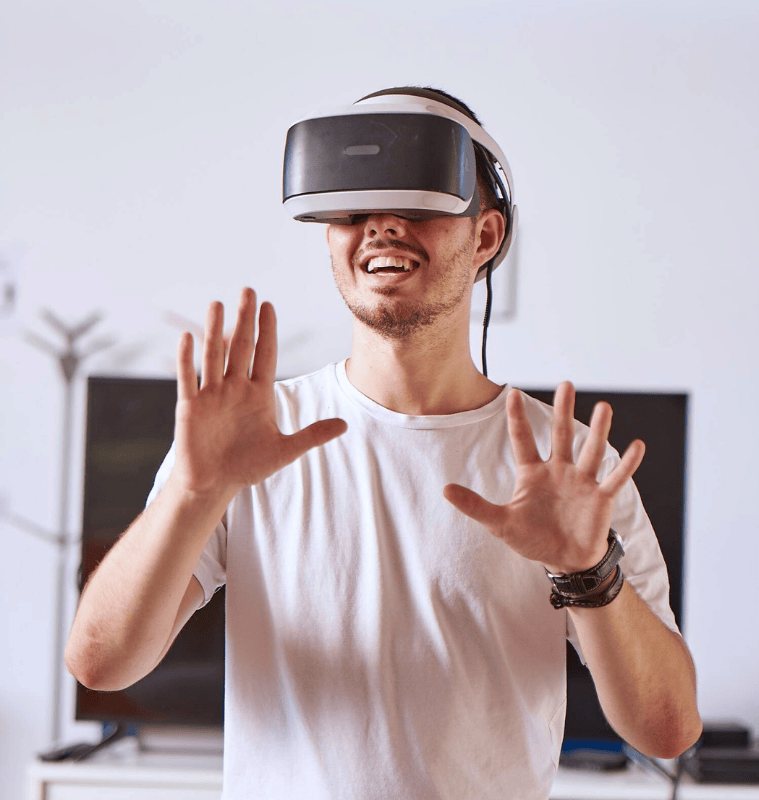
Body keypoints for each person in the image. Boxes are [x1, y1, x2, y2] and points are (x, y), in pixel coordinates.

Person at [65, 87, 702, 799]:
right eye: (355, 209)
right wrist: (193, 491)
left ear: (485, 238)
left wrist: (587, 570)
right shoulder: (250, 443)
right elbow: (99, 663)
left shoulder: (567, 469)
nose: (383, 228)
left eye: (419, 204)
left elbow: (667, 731)